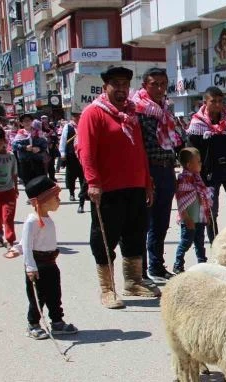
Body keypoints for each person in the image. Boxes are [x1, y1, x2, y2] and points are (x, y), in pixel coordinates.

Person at [78, 65, 157, 309]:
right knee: (104, 239)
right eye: (116, 85)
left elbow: (140, 151)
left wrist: (147, 182)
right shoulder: (93, 113)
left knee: (135, 234)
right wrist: (92, 182)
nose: (121, 89)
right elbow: (86, 151)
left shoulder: (132, 114)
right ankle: (107, 288)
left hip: (134, 186)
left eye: (125, 85)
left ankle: (133, 281)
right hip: (108, 189)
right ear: (105, 87)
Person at [131, 67, 179, 282]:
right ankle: (140, 271)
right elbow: (138, 145)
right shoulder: (137, 109)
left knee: (162, 221)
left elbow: (174, 139)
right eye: (154, 84)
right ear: (145, 86)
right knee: (144, 222)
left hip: (166, 168)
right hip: (148, 170)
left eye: (163, 84)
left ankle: (157, 266)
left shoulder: (166, 109)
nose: (159, 88)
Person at [21, 176, 78, 339]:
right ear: (43, 201)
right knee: (37, 297)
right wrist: (30, 267)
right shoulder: (32, 221)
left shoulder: (47, 219)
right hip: (37, 265)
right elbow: (26, 244)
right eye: (56, 198)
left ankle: (57, 322)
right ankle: (33, 324)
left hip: (51, 263)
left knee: (54, 294)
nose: (59, 201)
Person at [186, 86, 226, 229]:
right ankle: (215, 244)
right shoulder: (197, 125)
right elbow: (192, 154)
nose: (218, 105)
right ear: (205, 102)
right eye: (213, 101)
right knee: (212, 213)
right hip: (209, 174)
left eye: (221, 101)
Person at [173, 147, 213, 274]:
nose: (201, 163)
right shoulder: (183, 179)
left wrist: (207, 215)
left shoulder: (198, 179)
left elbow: (203, 198)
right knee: (186, 242)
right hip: (189, 219)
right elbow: (181, 201)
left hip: (200, 218)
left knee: (200, 243)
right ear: (189, 165)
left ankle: (202, 263)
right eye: (198, 161)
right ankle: (178, 264)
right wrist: (186, 217)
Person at [58, 112, 86, 212]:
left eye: (79, 115)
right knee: (71, 176)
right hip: (71, 155)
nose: (77, 117)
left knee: (83, 178)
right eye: (75, 116)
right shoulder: (68, 127)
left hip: (82, 155)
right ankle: (71, 193)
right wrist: (62, 153)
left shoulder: (84, 124)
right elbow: (63, 140)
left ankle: (82, 198)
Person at [12, 114, 47, 186]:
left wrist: (39, 149)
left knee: (40, 182)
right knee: (28, 182)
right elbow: (14, 146)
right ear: (21, 123)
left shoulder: (38, 132)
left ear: (32, 121)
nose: (27, 122)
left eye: (29, 120)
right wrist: (24, 148)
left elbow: (44, 144)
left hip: (37, 160)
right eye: (24, 121)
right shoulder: (20, 133)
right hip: (25, 162)